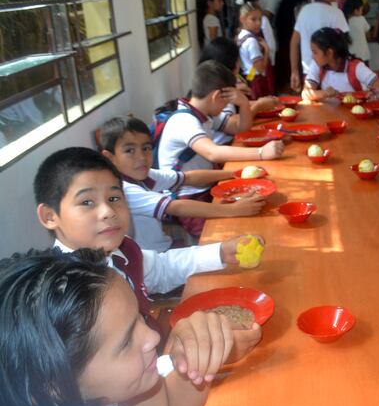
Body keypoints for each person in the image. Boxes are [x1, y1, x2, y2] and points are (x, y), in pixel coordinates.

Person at [33, 147, 263, 363]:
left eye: (114, 198)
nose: (108, 212)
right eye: (86, 202)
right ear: (49, 216)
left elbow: (161, 269)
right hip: (151, 378)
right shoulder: (68, 296)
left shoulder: (122, 250)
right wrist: (194, 360)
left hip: (161, 356)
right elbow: (114, 387)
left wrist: (221, 252)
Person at [0, 248, 235, 406]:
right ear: (55, 387)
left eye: (140, 317)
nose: (154, 337)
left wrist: (194, 360)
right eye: (125, 343)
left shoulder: (85, 390)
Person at [155, 61, 283, 237]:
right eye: (227, 102)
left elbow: (240, 128)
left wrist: (244, 104)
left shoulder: (203, 113)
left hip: (207, 186)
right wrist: (261, 153)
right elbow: (212, 152)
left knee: (257, 207)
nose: (226, 107)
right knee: (227, 234)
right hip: (188, 199)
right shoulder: (184, 121)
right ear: (217, 97)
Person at [100, 116, 265, 252]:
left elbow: (188, 177)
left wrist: (235, 174)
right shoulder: (123, 190)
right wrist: (233, 210)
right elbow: (176, 207)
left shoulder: (144, 174)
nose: (142, 157)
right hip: (152, 264)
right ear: (109, 157)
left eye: (146, 148)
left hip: (165, 248)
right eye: (129, 150)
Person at [290, 0, 349, 92]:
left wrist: (294, 70)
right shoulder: (336, 13)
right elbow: (345, 45)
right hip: (331, 72)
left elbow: (294, 43)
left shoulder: (304, 10)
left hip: (308, 72)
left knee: (311, 104)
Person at [301, 28, 379, 102]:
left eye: (315, 52)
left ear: (329, 53)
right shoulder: (317, 65)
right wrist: (324, 93)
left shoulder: (356, 67)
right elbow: (305, 94)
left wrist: (374, 95)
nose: (312, 56)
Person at [274, 0, 309, 92]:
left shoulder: (284, 4)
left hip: (283, 42)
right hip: (296, 43)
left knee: (286, 72)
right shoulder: (302, 7)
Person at [237, 2, 273, 98]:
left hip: (247, 77)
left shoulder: (240, 36)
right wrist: (266, 50)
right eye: (253, 19)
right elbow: (260, 69)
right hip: (256, 81)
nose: (258, 23)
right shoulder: (252, 41)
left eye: (260, 19)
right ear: (243, 19)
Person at [343, 0, 371, 65]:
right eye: (361, 9)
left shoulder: (343, 20)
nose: (362, 12)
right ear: (356, 11)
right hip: (363, 56)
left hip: (349, 58)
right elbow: (369, 37)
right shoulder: (361, 19)